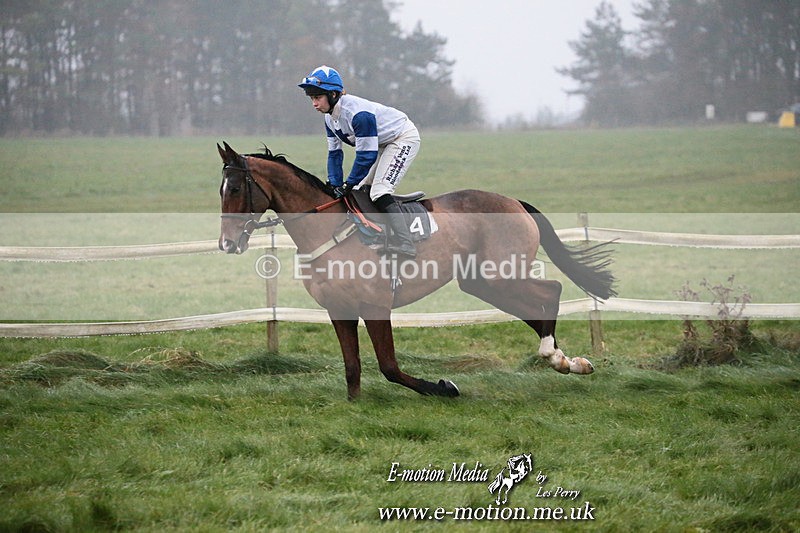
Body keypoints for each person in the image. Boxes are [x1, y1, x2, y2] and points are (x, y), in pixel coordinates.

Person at [298, 65, 420, 258]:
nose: (314, 103)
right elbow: (335, 155)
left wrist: (347, 184)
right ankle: (378, 234)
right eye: (312, 98)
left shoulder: (358, 115)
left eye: (318, 97)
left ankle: (406, 243)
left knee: (379, 191)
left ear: (333, 95)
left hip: (401, 138)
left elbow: (366, 156)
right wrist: (335, 185)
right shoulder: (330, 119)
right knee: (360, 192)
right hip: (381, 143)